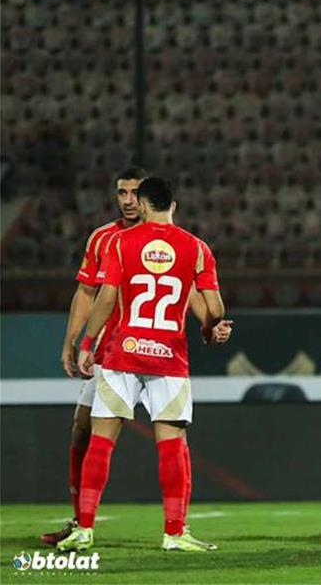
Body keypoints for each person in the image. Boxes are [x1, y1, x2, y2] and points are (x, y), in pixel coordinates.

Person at [57, 177, 233, 553]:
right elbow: (215, 309)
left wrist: (89, 342)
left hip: (124, 352)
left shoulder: (120, 242)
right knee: (172, 445)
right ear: (174, 206)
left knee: (101, 441)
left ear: (145, 204)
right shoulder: (197, 248)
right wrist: (210, 326)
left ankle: (84, 528)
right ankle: (174, 533)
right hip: (169, 357)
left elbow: (104, 299)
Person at [42, 167, 145, 546]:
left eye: (136, 192)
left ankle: (177, 526)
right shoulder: (102, 238)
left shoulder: (166, 240)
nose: (129, 200)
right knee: (81, 430)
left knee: (174, 433)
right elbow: (87, 292)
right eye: (122, 193)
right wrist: (72, 341)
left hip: (156, 352)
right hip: (108, 351)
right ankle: (79, 520)